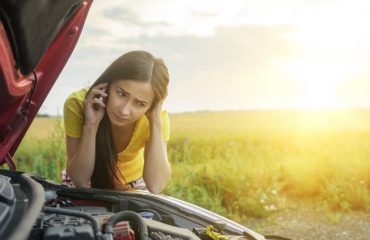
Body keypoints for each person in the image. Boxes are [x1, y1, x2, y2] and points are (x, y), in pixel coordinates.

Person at [63, 50, 171, 194]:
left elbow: (156, 186)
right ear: (108, 83)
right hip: (86, 182)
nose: (124, 110)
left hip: (133, 183)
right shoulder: (78, 103)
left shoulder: (155, 117)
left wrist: (156, 122)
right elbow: (80, 180)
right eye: (121, 94)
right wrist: (91, 125)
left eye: (140, 104)